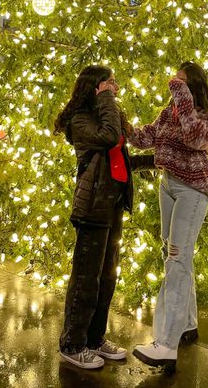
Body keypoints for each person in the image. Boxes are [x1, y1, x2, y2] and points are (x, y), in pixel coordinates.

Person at [54, 64, 153, 370]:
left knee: (107, 277)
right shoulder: (80, 120)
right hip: (92, 207)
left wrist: (153, 160)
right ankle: (72, 344)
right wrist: (106, 100)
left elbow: (118, 160)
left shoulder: (103, 115)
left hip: (112, 204)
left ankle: (95, 338)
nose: (116, 87)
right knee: (86, 278)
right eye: (110, 83)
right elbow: (109, 138)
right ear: (95, 88)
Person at [128, 61, 208, 373]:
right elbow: (148, 137)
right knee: (177, 256)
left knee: (176, 260)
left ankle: (165, 344)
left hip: (193, 190)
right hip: (168, 184)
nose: (174, 85)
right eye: (174, 82)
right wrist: (126, 128)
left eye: (181, 83)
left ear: (193, 87)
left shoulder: (205, 117)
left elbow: (196, 138)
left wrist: (183, 97)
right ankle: (188, 325)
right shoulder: (169, 112)